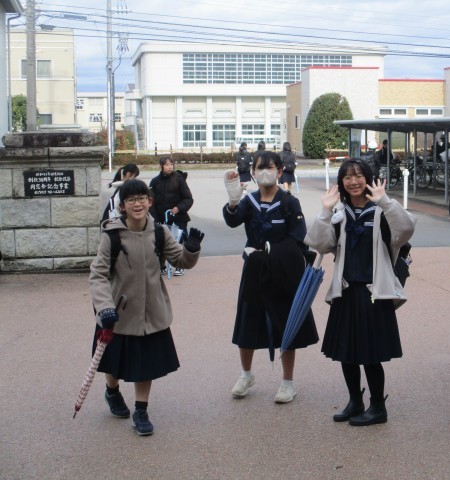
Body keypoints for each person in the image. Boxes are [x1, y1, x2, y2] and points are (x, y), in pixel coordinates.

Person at [305, 159, 416, 426]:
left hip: (372, 292)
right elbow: (319, 243)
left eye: (358, 176)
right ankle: (355, 400)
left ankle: (378, 407)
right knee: (347, 352)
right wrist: (325, 211)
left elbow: (406, 229)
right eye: (347, 177)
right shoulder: (339, 212)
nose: (353, 181)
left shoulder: (381, 211)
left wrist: (385, 201)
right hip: (345, 290)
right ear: (341, 182)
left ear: (368, 178)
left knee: (370, 354)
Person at [89, 179, 204, 436]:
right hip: (117, 313)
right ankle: (112, 391)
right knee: (113, 362)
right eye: (131, 200)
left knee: (145, 366)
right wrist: (105, 307)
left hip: (151, 312)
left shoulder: (160, 233)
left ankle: (141, 410)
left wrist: (192, 249)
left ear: (149, 202)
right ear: (122, 206)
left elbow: (181, 261)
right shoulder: (111, 236)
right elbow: (97, 275)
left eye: (142, 198)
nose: (137, 204)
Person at [222, 150, 319, 404]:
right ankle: (246, 375)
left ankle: (288, 382)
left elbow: (298, 237)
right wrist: (233, 201)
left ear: (279, 171)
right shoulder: (249, 201)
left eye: (270, 167)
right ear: (253, 172)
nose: (265, 172)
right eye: (259, 167)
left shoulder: (289, 202)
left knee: (286, 323)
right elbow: (233, 221)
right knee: (247, 321)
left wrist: (271, 252)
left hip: (282, 272)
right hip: (254, 269)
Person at [149, 156, 194, 276]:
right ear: (161, 166)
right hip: (162, 218)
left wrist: (179, 208)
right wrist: (155, 219)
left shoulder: (179, 179)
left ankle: (180, 266)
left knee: (179, 240)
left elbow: (188, 199)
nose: (170, 167)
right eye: (167, 164)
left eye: (171, 164)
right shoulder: (155, 181)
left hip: (179, 217)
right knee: (162, 242)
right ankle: (162, 265)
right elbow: (150, 202)